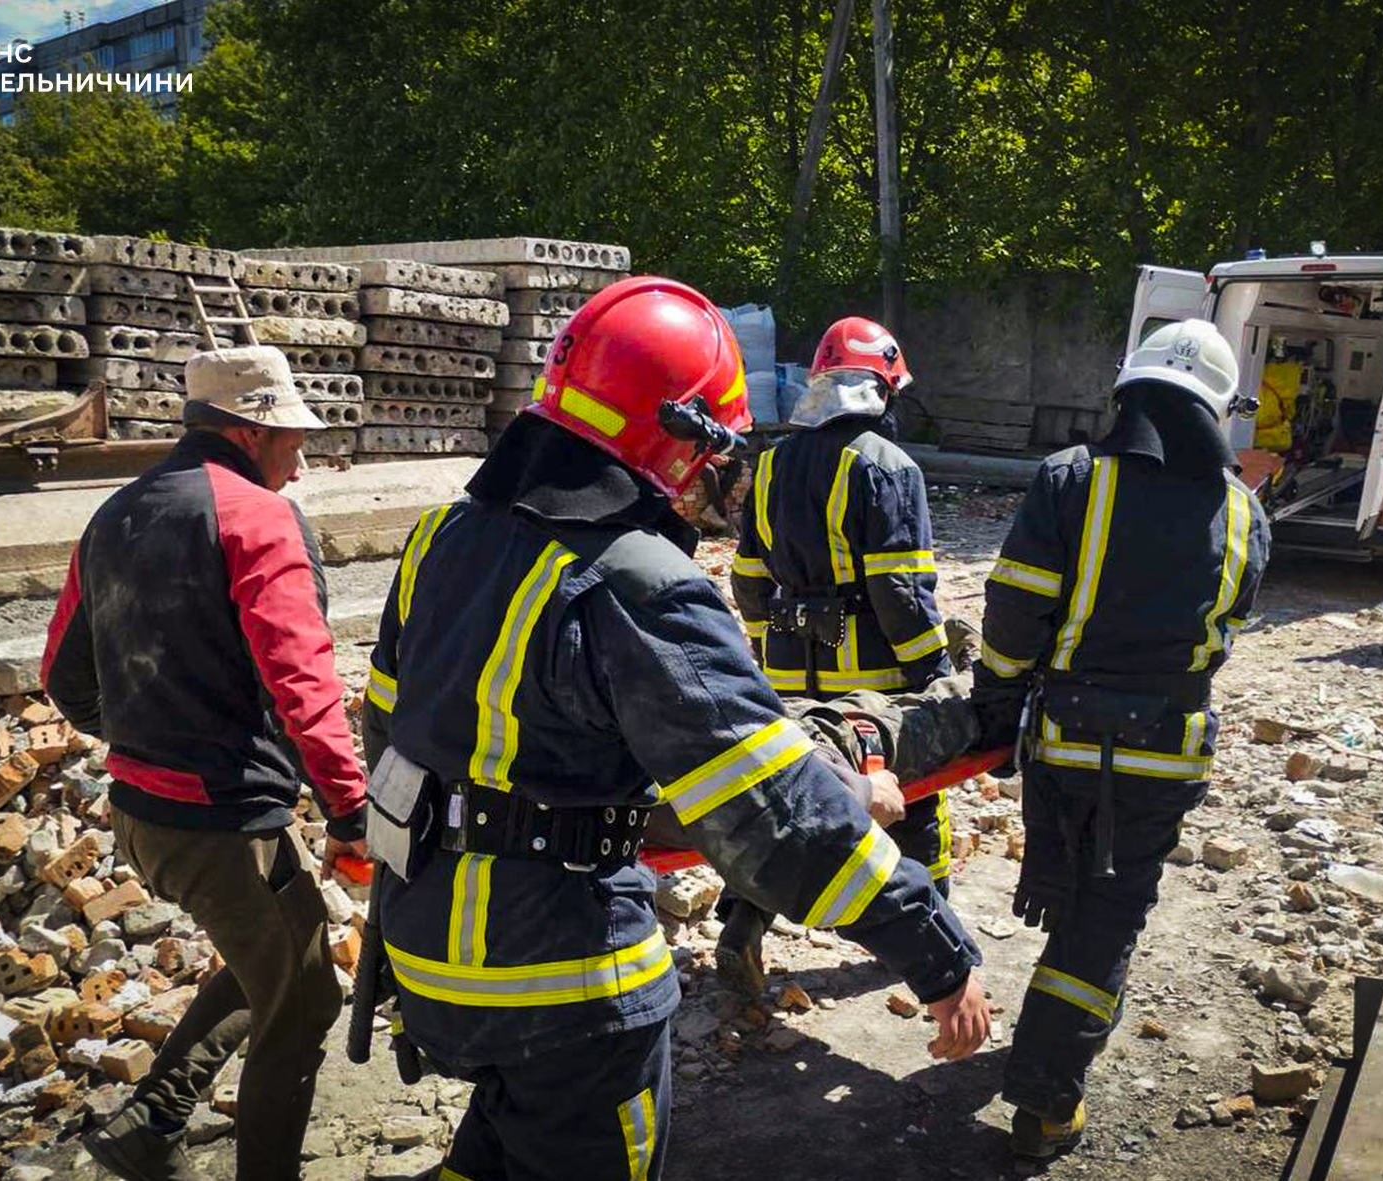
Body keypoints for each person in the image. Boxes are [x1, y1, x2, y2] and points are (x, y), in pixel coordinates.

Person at [360, 278, 989, 1181]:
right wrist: (937, 950)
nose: (708, 475)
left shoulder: (438, 538)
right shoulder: (636, 582)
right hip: (564, 987)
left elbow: (393, 739)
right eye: (709, 447)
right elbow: (778, 815)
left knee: (500, 1146)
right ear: (678, 435)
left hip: (424, 956)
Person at [43, 345, 368, 1181]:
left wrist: (146, 741)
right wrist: (350, 808)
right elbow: (301, 680)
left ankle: (152, 1120)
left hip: (144, 816)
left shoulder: (115, 513)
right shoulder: (257, 519)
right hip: (223, 822)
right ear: (251, 430)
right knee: (300, 1005)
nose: (298, 464)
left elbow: (60, 676)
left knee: (282, 953)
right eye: (291, 441)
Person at [972, 319, 1270, 1158]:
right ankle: (1045, 1097)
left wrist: (996, 701)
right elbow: (1225, 631)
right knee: (1107, 919)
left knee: (1072, 895)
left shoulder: (1072, 479)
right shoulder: (1244, 511)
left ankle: (1047, 1052)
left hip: (1062, 745)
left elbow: (1015, 612)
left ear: (1129, 391)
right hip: (1165, 756)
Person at [722, 317, 964, 989]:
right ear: (883, 388)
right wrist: (932, 677)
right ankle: (934, 939)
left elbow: (747, 580)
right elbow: (900, 589)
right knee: (919, 801)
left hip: (787, 674)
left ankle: (742, 930)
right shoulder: (889, 467)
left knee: (783, 808)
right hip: (875, 682)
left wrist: (777, 633)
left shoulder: (768, 466)